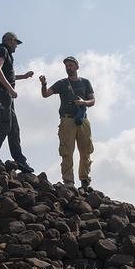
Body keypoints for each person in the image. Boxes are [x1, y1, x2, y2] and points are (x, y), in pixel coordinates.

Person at [40, 56, 95, 189]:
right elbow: (46, 94)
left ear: (77, 67)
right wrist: (44, 84)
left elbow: (92, 101)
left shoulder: (85, 82)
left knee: (86, 151)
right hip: (67, 119)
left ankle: (85, 181)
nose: (68, 68)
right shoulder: (62, 83)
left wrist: (83, 102)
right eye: (66, 66)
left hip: (82, 119)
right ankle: (69, 182)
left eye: (71, 65)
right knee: (66, 151)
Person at [0, 31, 35, 172]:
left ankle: (20, 161)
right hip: (3, 94)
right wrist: (9, 89)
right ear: (10, 40)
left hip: (4, 94)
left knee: (14, 128)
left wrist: (23, 77)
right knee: (5, 124)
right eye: (16, 42)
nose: (17, 46)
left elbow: (7, 75)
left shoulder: (7, 54)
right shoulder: (2, 50)